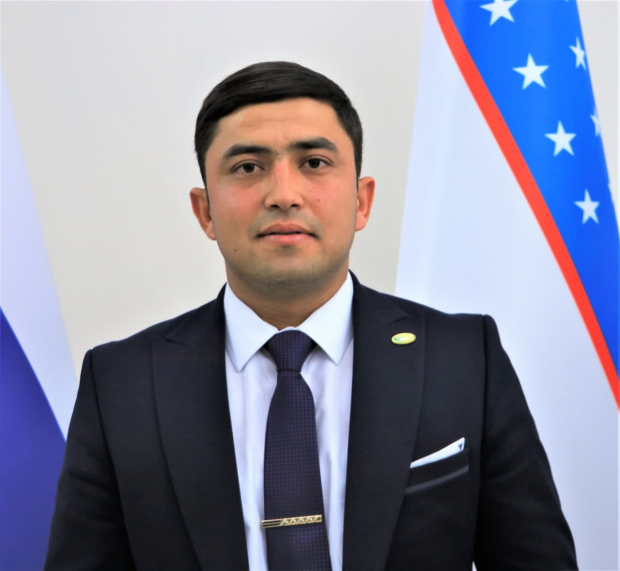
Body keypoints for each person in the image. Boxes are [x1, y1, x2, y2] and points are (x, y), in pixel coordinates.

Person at [45, 61, 577, 571]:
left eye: (314, 163)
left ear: (362, 201)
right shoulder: (121, 383)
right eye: (248, 168)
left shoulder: (464, 360)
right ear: (205, 211)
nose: (284, 195)